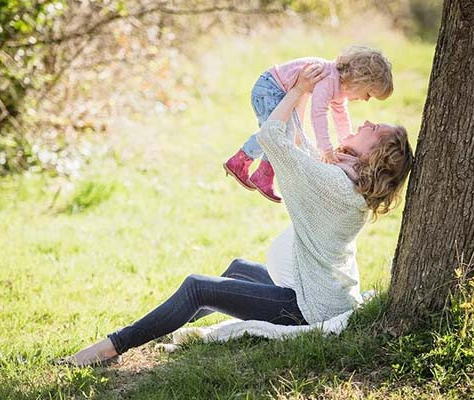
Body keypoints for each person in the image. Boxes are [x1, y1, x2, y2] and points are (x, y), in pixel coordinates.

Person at [58, 63, 413, 367]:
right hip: (317, 292)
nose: (366, 122)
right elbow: (302, 149)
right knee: (237, 269)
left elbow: (273, 138)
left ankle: (109, 348)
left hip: (307, 308)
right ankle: (159, 328)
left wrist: (299, 90)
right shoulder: (346, 180)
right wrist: (304, 93)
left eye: (374, 130)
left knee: (198, 287)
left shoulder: (335, 185)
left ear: (376, 155)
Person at [223, 45, 393, 202]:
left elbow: (340, 115)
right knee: (277, 134)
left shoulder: (339, 87)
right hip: (270, 89)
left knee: (279, 134)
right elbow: (318, 113)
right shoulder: (329, 78)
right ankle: (252, 168)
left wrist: (345, 140)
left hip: (275, 90)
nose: (365, 100)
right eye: (368, 94)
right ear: (360, 80)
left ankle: (253, 169)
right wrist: (325, 148)